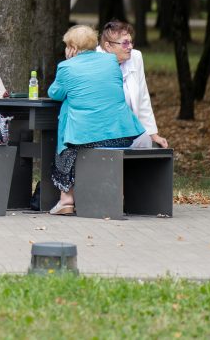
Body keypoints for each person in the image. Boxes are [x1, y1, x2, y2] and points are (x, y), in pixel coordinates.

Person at [47, 25, 146, 215]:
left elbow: (55, 93)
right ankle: (114, 197)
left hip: (86, 136)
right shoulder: (111, 61)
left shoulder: (66, 66)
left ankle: (66, 199)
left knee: (66, 148)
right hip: (121, 134)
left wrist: (69, 64)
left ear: (72, 47)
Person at [99, 20, 169, 149]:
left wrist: (153, 134)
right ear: (108, 46)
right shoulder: (94, 59)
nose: (130, 47)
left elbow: (143, 98)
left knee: (145, 143)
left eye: (131, 42)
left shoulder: (135, 57)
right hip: (102, 130)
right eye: (125, 43)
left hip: (128, 129)